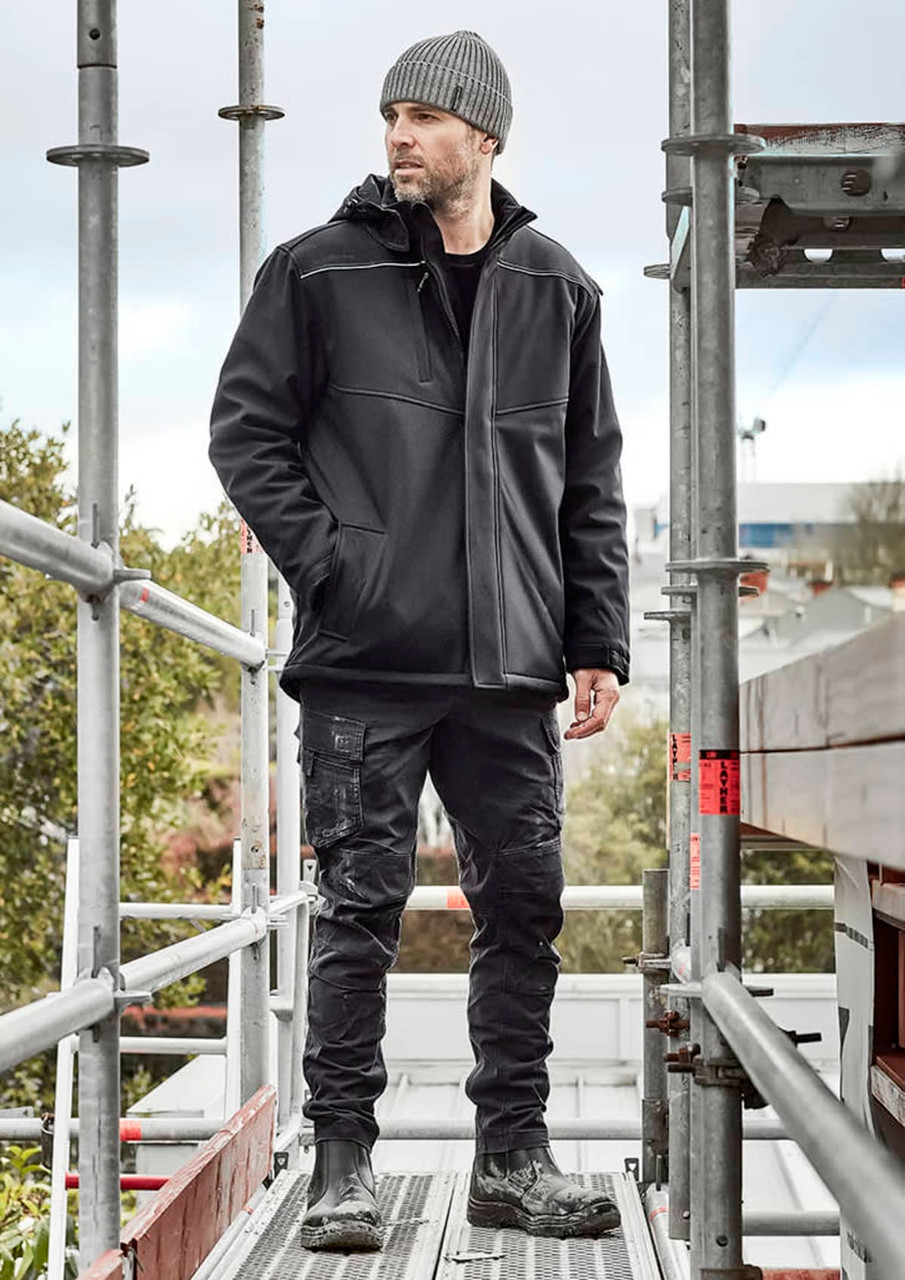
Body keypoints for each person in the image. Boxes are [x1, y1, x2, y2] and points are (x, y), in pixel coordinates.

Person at [208, 29, 630, 1253]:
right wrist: (338, 565)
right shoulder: (314, 272)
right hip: (365, 660)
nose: (398, 135)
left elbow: (587, 483)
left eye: (425, 118)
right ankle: (341, 1163)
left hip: (507, 665)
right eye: (389, 114)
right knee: (359, 906)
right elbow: (246, 436)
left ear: (484, 138)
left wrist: (592, 635)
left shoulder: (557, 286)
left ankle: (514, 1156)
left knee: (526, 904)